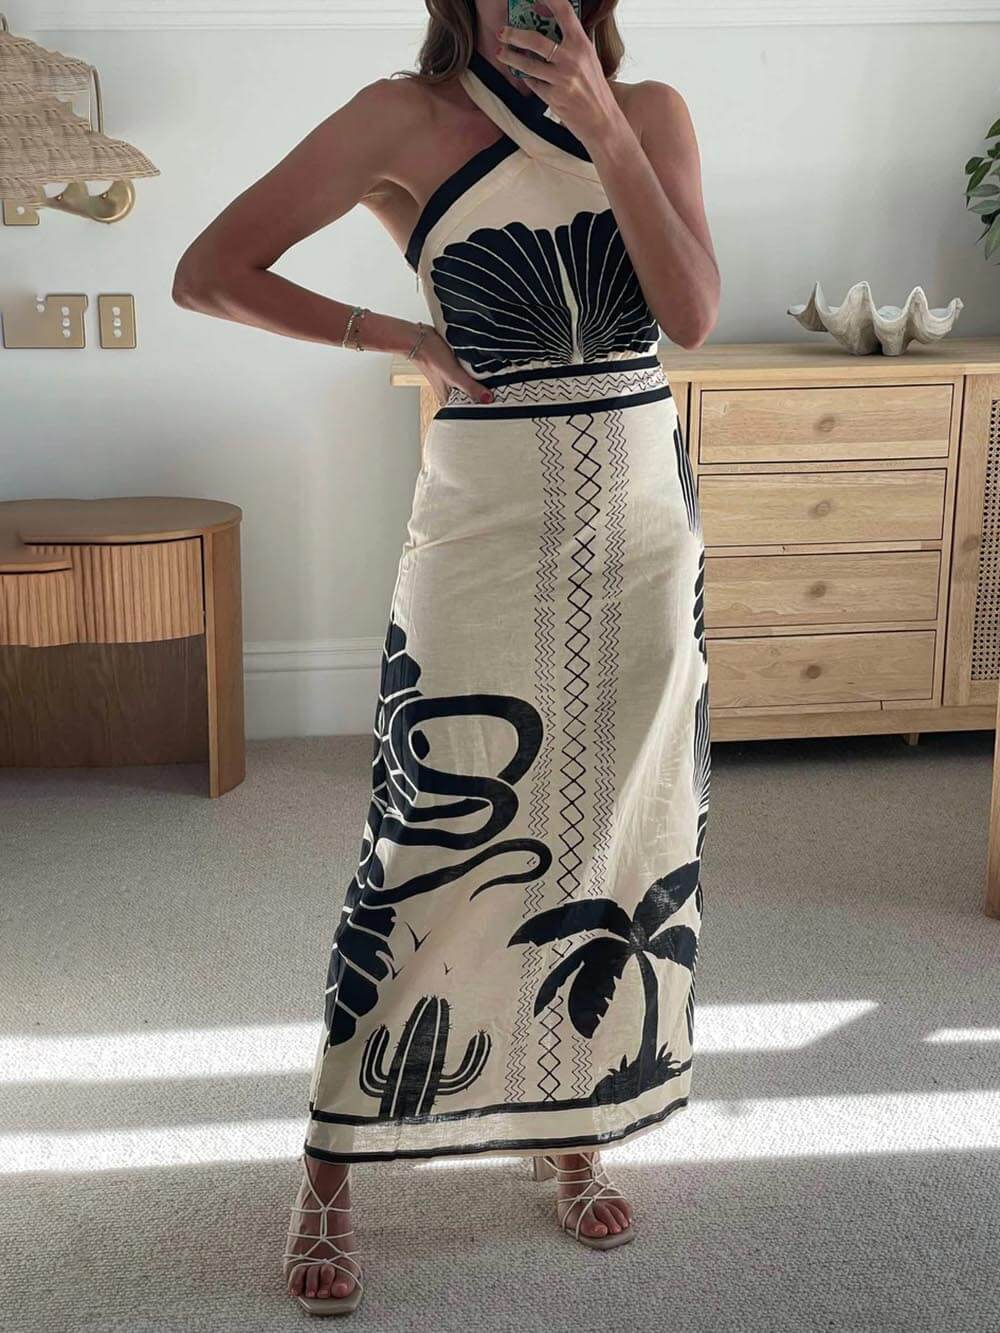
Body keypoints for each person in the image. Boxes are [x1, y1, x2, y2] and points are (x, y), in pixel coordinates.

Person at [173, 0, 719, 1316]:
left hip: (643, 527)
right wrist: (397, 335)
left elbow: (691, 315)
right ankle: (331, 1163)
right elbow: (209, 270)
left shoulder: (651, 115)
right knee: (430, 835)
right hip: (485, 527)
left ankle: (568, 1121)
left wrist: (604, 129)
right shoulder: (399, 118)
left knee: (610, 833)